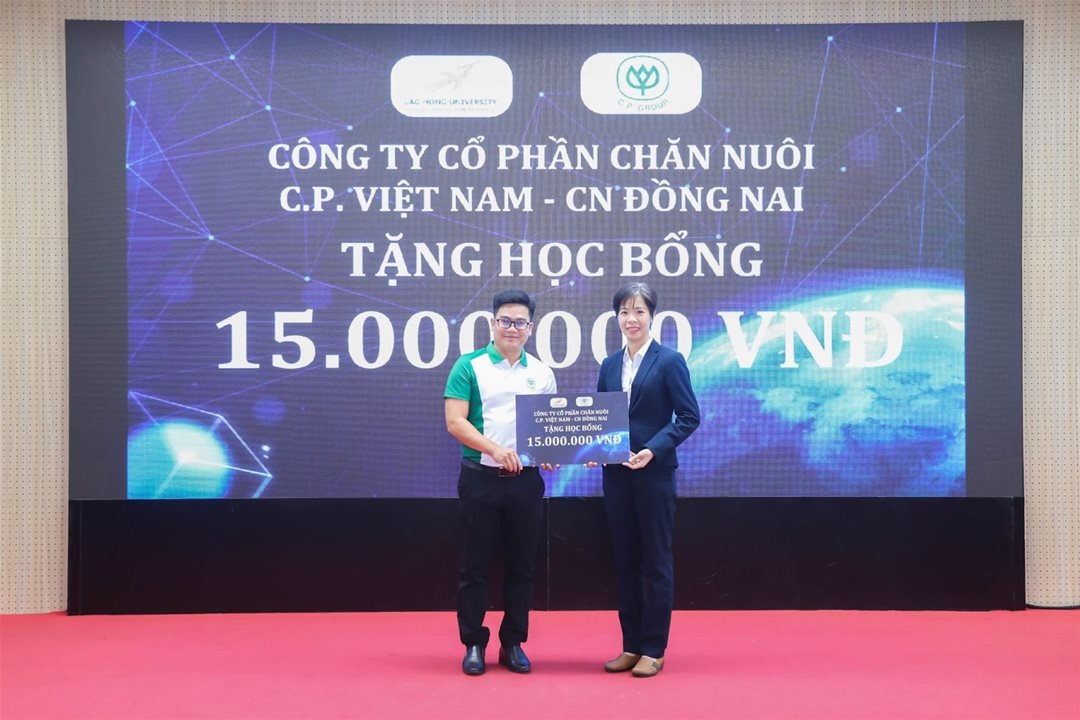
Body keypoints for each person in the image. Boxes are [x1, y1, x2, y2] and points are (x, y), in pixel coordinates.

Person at [444, 289, 557, 676]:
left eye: (520, 322)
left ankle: (513, 643)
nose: (512, 328)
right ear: (492, 323)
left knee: (522, 566)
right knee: (474, 566)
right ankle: (473, 643)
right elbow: (455, 421)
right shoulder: (469, 366)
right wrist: (495, 449)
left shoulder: (541, 372)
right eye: (505, 321)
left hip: (526, 483)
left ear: (530, 328)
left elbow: (547, 431)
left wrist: (554, 453)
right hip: (481, 479)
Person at [596, 282, 700, 678]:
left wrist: (653, 449)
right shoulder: (609, 365)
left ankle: (653, 649)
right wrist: (592, 450)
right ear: (616, 318)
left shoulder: (670, 361)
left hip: (654, 474)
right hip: (616, 476)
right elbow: (600, 418)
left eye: (639, 311)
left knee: (655, 561)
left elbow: (689, 417)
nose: (631, 319)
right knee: (625, 562)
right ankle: (631, 646)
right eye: (624, 312)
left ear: (652, 316)